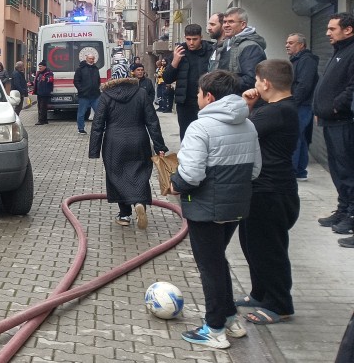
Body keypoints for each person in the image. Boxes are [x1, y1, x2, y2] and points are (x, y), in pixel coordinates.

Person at [170, 70, 261, 349]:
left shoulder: (201, 127)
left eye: (198, 93)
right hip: (236, 206)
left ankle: (214, 329)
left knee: (209, 268)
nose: (197, 98)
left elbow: (192, 176)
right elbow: (255, 170)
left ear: (209, 96)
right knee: (218, 261)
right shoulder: (248, 124)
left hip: (206, 209)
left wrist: (175, 184)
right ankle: (231, 319)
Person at [237, 59, 300, 325]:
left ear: (266, 83)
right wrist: (253, 105)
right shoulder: (274, 108)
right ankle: (260, 293)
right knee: (252, 244)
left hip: (272, 191)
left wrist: (246, 104)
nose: (254, 85)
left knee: (269, 249)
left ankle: (280, 304)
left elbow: (241, 129)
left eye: (256, 80)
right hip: (262, 189)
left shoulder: (277, 112)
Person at [88, 76, 168, 229]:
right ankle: (139, 203)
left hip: (114, 142)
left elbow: (98, 124)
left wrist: (94, 150)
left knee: (116, 175)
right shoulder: (141, 93)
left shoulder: (106, 96)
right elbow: (152, 121)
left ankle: (124, 214)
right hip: (139, 139)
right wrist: (159, 146)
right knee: (140, 173)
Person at [312, 13, 354, 243]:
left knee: (347, 170)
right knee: (338, 170)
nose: (327, 33)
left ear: (348, 30)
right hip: (330, 121)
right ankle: (343, 209)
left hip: (343, 122)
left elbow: (351, 87)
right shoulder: (339, 51)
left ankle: (351, 214)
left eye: (332, 29)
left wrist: (336, 107)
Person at [162, 24, 216, 139]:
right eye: (188, 39)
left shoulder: (211, 51)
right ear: (184, 37)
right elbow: (167, 78)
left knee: (207, 135)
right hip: (185, 103)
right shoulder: (179, 52)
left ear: (201, 37)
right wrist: (175, 61)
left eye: (195, 39)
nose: (191, 43)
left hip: (207, 101)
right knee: (187, 136)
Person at [286, 33, 319, 180]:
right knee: (300, 137)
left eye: (291, 43)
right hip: (300, 104)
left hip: (302, 106)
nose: (287, 45)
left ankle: (293, 171)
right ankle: (300, 171)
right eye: (287, 42)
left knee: (295, 136)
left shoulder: (307, 60)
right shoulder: (297, 60)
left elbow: (304, 85)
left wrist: (293, 103)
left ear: (301, 45)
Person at [214, 7, 268, 93]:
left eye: (231, 22)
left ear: (243, 24)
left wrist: (221, 83)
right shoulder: (226, 44)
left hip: (243, 101)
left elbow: (251, 80)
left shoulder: (251, 47)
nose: (226, 25)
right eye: (224, 22)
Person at [73, 53, 101, 135]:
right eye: (90, 58)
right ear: (86, 59)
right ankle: (81, 128)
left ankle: (100, 127)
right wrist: (81, 90)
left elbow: (98, 80)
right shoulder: (80, 69)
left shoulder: (96, 68)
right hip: (84, 95)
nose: (91, 60)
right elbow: (76, 81)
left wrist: (97, 87)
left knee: (99, 113)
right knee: (81, 113)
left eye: (93, 58)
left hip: (95, 95)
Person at [33, 60, 53, 125]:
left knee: (42, 107)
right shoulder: (39, 73)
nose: (39, 68)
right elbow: (36, 81)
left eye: (41, 66)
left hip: (45, 92)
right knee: (40, 107)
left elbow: (51, 79)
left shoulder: (48, 73)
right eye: (39, 67)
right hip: (39, 92)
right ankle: (44, 120)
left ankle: (41, 120)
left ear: (45, 66)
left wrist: (46, 79)